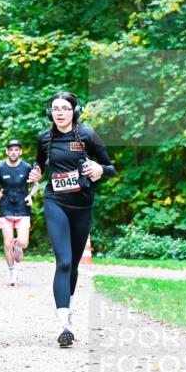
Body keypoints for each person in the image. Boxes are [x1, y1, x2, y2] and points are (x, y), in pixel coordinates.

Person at [28, 92, 115, 347]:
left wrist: (99, 169)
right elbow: (38, 164)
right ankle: (63, 324)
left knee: (74, 264)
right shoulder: (45, 138)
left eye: (65, 108)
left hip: (82, 205)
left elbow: (111, 168)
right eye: (55, 108)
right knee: (63, 261)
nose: (60, 113)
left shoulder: (87, 135)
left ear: (74, 111)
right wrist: (35, 173)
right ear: (50, 112)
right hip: (55, 201)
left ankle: (68, 309)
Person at [0, 139, 36, 286]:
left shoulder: (27, 167)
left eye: (16, 150)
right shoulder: (0, 168)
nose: (14, 152)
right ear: (7, 152)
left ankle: (19, 246)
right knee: (7, 242)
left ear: (20, 152)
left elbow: (36, 185)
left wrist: (30, 196)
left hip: (23, 209)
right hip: (6, 209)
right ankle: (12, 274)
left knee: (24, 242)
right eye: (11, 150)